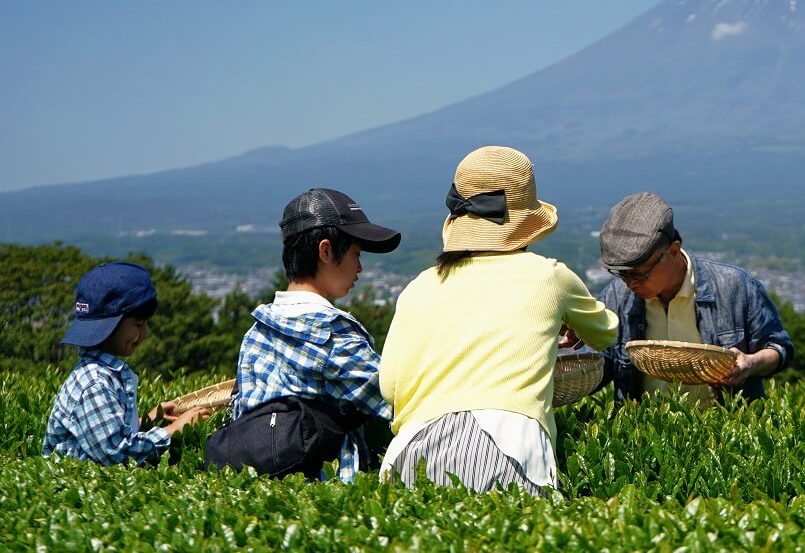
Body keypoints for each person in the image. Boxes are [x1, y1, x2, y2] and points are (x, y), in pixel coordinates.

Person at [379, 145, 619, 495]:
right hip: (506, 442)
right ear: (525, 221)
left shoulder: (419, 287)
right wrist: (562, 327)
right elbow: (607, 333)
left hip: (410, 451)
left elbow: (389, 387)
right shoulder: (549, 276)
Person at [230, 188, 400, 482]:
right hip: (323, 488)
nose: (360, 268)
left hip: (255, 482)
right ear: (325, 251)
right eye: (356, 254)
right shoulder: (332, 332)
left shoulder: (257, 330)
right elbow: (394, 401)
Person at [597, 192, 794, 404]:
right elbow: (601, 366)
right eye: (621, 273)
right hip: (644, 431)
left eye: (639, 273)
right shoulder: (616, 296)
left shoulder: (735, 287)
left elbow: (779, 349)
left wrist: (751, 363)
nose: (629, 283)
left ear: (673, 251)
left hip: (723, 430)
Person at [43, 262, 210, 465]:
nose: (144, 333)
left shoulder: (100, 373)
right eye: (138, 324)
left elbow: (103, 433)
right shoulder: (95, 383)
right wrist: (172, 431)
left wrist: (143, 423)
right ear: (110, 326)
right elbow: (115, 453)